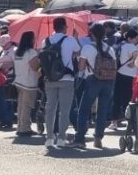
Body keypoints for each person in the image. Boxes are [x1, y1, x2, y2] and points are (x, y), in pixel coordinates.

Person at [73, 23, 118, 148]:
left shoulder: (87, 47)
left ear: (91, 34)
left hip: (93, 79)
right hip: (108, 81)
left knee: (84, 110)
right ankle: (98, 137)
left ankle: (80, 138)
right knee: (102, 110)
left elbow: (81, 68)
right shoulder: (110, 49)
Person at [40, 17, 79, 151]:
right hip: (66, 78)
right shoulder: (70, 40)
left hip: (50, 79)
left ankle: (49, 137)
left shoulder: (45, 41)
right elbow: (78, 52)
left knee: (50, 109)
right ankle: (61, 138)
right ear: (64, 27)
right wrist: (75, 37)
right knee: (64, 110)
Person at [12, 31, 41, 137]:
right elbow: (35, 67)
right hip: (29, 82)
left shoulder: (17, 52)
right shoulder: (31, 52)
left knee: (20, 105)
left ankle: (20, 126)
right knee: (27, 106)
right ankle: (25, 128)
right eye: (34, 38)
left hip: (19, 80)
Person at [112, 25, 138, 126]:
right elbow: (136, 54)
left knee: (117, 98)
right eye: (136, 38)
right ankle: (129, 121)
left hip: (119, 73)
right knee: (128, 99)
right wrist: (133, 62)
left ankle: (114, 120)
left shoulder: (120, 45)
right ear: (130, 38)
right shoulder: (131, 46)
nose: (137, 40)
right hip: (130, 75)